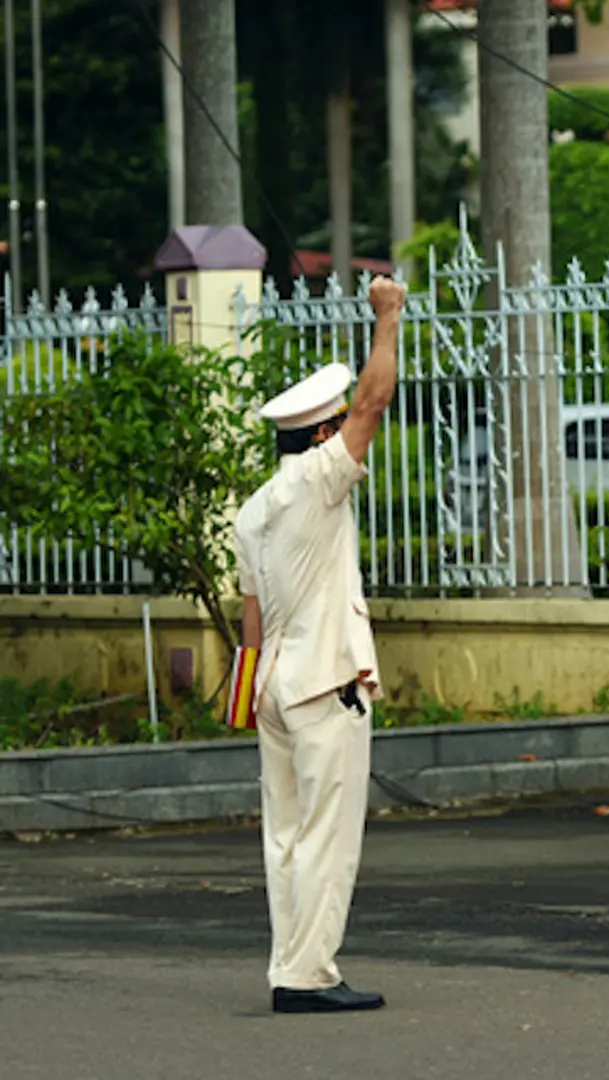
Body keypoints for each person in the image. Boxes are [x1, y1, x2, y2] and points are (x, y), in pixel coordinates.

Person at [235, 275, 406, 1012]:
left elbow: (250, 616)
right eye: (337, 427)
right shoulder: (316, 480)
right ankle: (308, 976)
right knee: (327, 842)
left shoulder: (253, 507)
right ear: (319, 435)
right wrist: (388, 318)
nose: (350, 434)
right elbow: (374, 400)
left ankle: (289, 968)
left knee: (285, 839)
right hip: (321, 685)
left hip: (273, 684)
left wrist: (246, 698)